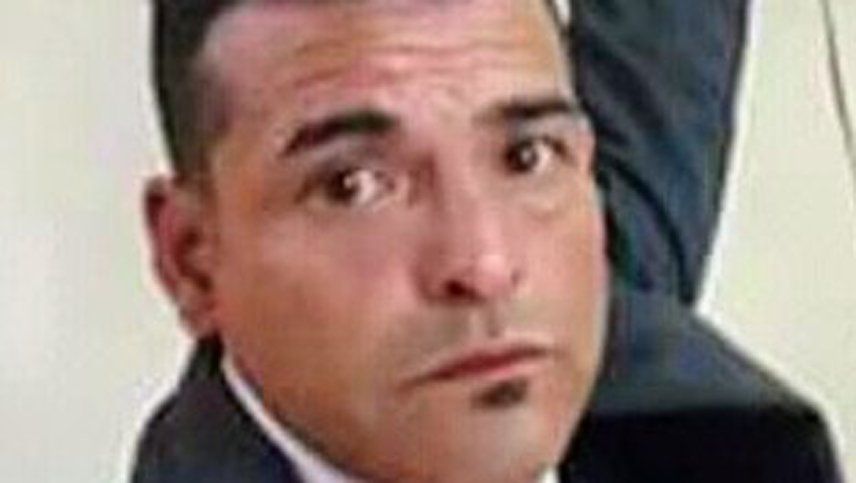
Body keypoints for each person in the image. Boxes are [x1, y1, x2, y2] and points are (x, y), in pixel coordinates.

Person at [133, 0, 842, 482]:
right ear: (191, 259)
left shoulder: (622, 361)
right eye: (353, 186)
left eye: (524, 157)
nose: (486, 264)